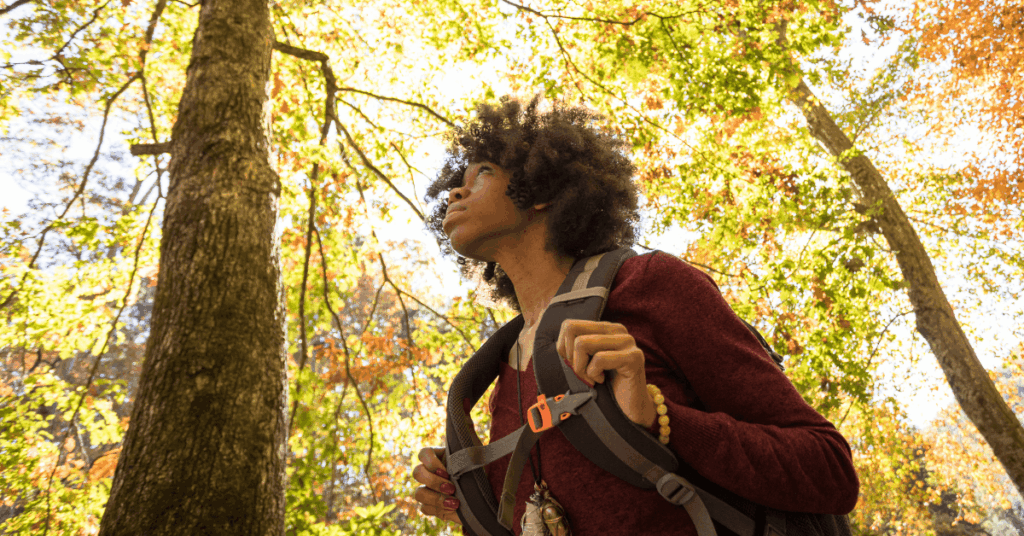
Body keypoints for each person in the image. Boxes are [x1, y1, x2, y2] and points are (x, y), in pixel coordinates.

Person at [410, 96, 859, 535]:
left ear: (540, 190)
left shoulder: (650, 285)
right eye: (459, 180)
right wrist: (468, 499)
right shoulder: (499, 381)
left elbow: (829, 471)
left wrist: (659, 418)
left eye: (482, 173)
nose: (456, 190)